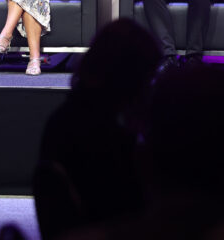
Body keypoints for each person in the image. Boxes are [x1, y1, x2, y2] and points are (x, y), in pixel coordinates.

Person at [33, 18, 162, 240]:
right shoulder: (109, 141)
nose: (149, 89)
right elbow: (133, 214)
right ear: (129, 78)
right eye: (147, 79)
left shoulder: (63, 119)